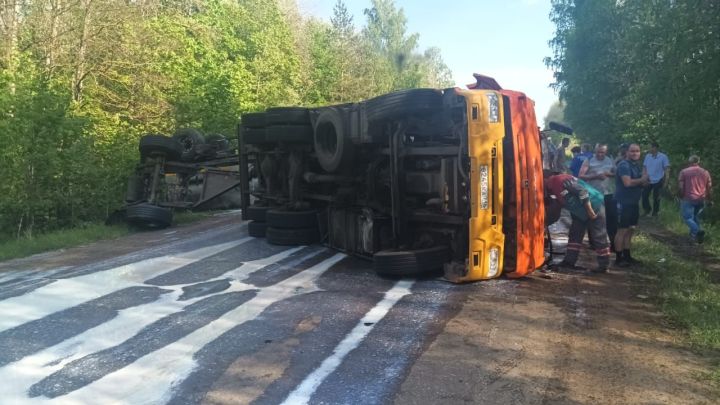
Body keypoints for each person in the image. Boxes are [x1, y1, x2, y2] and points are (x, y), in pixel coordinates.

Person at [546, 173, 611, 273]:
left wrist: (589, 211)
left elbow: (582, 191)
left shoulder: (559, 180)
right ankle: (569, 262)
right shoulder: (552, 189)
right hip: (579, 211)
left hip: (593, 206)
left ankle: (604, 265)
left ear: (545, 178)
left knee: (598, 236)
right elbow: (557, 207)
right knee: (575, 235)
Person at [615, 143, 648, 266]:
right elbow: (627, 183)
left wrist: (644, 181)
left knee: (631, 229)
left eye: (637, 151)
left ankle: (627, 256)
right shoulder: (624, 165)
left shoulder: (637, 165)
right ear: (627, 152)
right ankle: (618, 258)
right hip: (623, 202)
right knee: (622, 230)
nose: (635, 153)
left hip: (634, 202)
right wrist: (643, 179)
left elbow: (642, 183)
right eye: (632, 151)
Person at [579, 144, 617, 253]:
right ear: (595, 151)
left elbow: (616, 173)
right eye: (598, 152)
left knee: (611, 219)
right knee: (595, 218)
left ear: (606, 152)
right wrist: (595, 176)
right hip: (594, 194)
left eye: (602, 152)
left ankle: (613, 244)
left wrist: (609, 174)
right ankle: (594, 243)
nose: (600, 154)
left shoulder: (610, 160)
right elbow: (581, 175)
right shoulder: (589, 160)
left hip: (609, 193)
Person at [678, 155, 712, 243]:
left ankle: (697, 231)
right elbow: (709, 187)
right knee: (696, 217)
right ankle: (694, 237)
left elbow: (681, 187)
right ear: (698, 162)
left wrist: (681, 195)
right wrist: (709, 199)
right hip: (701, 198)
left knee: (687, 218)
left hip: (688, 198)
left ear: (689, 162)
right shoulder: (705, 172)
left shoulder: (684, 172)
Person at [642, 141, 670, 217]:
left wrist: (666, 180)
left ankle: (655, 212)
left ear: (655, 148)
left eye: (650, 147)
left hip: (658, 179)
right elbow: (644, 167)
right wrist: (644, 177)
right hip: (648, 179)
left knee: (656, 197)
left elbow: (666, 169)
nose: (648, 149)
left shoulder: (663, 157)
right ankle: (647, 209)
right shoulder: (647, 156)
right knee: (644, 195)